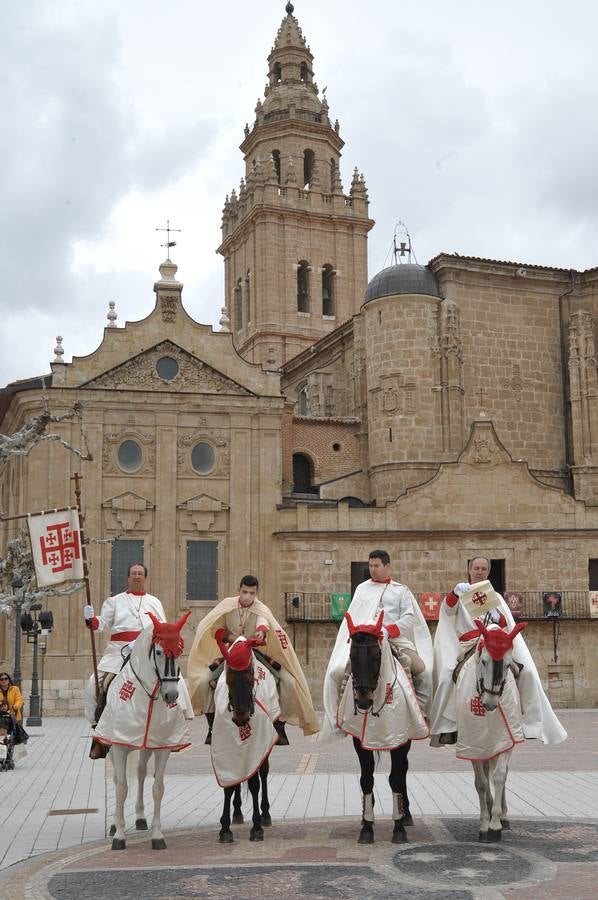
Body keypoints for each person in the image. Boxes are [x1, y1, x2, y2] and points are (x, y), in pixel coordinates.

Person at [429, 555, 567, 746]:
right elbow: (448, 610)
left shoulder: (496, 598)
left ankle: (531, 722)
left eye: (483, 569)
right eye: (476, 568)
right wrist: (454, 593)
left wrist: (498, 616)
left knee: (526, 672)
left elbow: (505, 623)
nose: (479, 572)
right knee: (446, 676)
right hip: (469, 644)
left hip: (495, 642)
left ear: (488, 572)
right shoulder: (460, 593)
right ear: (469, 570)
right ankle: (448, 727)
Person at [187, 574, 319, 745]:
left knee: (289, 682)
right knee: (203, 682)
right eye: (245, 592)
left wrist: (261, 632)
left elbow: (263, 624)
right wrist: (234, 638)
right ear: (239, 590)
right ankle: (212, 727)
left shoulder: (261, 609)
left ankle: (279, 726)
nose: (248, 597)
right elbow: (216, 629)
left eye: (252, 593)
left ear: (256, 593)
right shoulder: (227, 605)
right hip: (231, 653)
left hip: (254, 653)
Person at [83, 562, 193, 758]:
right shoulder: (115, 601)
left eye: (140, 573)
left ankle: (174, 726)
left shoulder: (154, 602)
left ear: (145, 578)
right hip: (118, 652)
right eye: (133, 573)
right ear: (128, 577)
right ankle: (98, 731)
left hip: (147, 653)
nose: (136, 576)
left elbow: (163, 629)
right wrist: (91, 619)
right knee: (93, 684)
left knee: (176, 681)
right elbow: (101, 624)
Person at [323, 549, 434, 739]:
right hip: (364, 640)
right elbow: (355, 615)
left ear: (387, 566)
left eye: (377, 565)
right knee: (337, 671)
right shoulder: (362, 589)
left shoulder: (401, 590)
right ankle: (340, 718)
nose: (373, 569)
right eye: (370, 565)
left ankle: (420, 714)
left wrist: (389, 630)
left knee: (424, 673)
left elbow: (409, 617)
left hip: (394, 639)